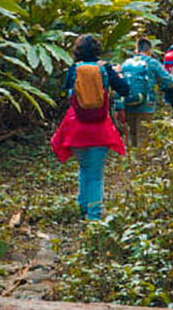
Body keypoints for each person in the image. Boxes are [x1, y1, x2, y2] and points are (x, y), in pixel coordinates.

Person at [50, 33, 131, 220]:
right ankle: (94, 217)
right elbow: (125, 89)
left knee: (84, 168)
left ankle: (83, 206)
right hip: (100, 129)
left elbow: (66, 90)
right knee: (96, 173)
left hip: (76, 128)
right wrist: (116, 74)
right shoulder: (105, 69)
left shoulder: (74, 69)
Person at [116, 36, 173, 150]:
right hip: (146, 106)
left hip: (128, 104)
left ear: (136, 50)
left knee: (131, 138)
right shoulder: (152, 63)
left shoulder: (125, 64)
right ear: (150, 50)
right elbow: (170, 82)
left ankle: (130, 164)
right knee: (143, 139)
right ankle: (140, 165)